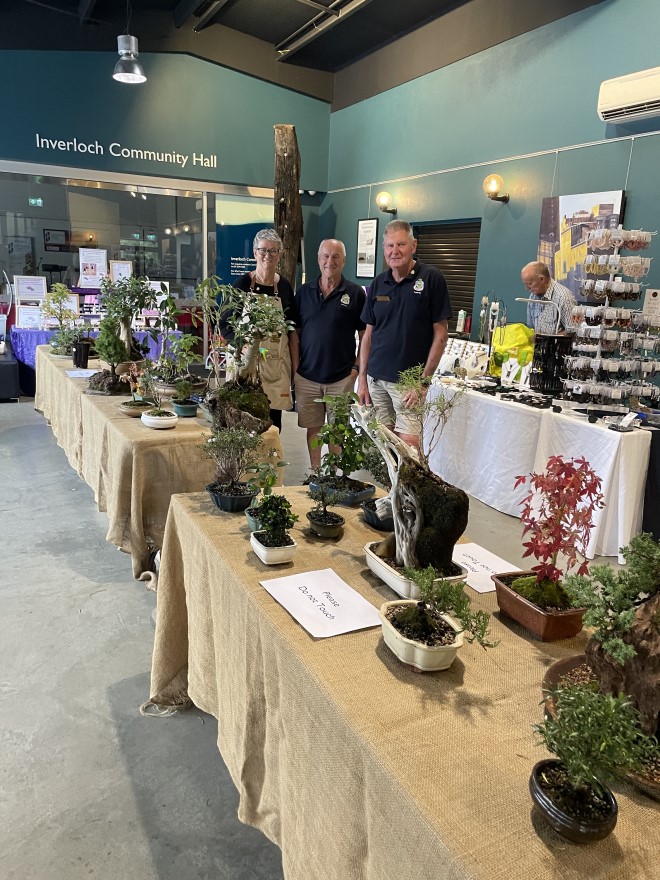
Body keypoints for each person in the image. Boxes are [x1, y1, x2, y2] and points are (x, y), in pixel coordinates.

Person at [357, 219, 452, 448]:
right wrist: (362, 377)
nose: (395, 251)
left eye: (401, 244)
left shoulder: (431, 279)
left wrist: (422, 383)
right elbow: (368, 335)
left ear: (414, 246)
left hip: (408, 384)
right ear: (384, 249)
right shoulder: (379, 283)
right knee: (383, 445)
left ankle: (408, 487)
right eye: (390, 246)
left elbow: (441, 335)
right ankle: (389, 486)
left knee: (409, 448)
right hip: (376, 379)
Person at [294, 239, 366, 468]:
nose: (330, 261)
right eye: (325, 256)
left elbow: (366, 336)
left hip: (341, 378)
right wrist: (295, 369)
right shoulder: (304, 292)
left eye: (336, 256)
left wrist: (356, 370)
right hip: (307, 376)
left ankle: (335, 476)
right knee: (313, 428)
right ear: (318, 259)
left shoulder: (355, 294)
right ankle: (315, 473)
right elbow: (294, 333)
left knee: (337, 431)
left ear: (344, 261)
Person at [231, 228, 299, 431]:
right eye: (263, 250)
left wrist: (296, 369)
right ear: (254, 253)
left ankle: (272, 460)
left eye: (273, 251)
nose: (267, 255)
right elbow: (227, 324)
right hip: (247, 364)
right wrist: (241, 346)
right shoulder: (242, 284)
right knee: (244, 418)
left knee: (273, 425)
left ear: (280, 254)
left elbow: (293, 331)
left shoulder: (285, 287)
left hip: (276, 367)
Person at [520, 261, 577, 334]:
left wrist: (549, 339)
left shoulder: (564, 298)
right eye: (525, 284)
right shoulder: (533, 296)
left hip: (558, 344)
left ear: (542, 279)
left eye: (530, 284)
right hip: (538, 345)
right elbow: (531, 328)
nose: (527, 288)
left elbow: (573, 330)